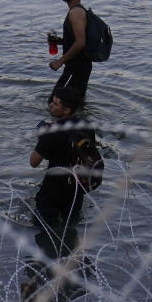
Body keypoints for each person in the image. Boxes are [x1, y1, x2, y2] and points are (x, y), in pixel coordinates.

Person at [30, 86, 94, 228]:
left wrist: (42, 137)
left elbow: (33, 162)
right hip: (76, 188)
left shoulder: (51, 132)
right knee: (70, 226)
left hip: (53, 190)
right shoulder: (87, 126)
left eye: (55, 103)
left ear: (66, 110)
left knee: (43, 228)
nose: (50, 105)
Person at [47, 0, 92, 103]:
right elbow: (78, 39)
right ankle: (80, 122)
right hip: (79, 67)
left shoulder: (76, 13)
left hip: (77, 67)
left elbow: (80, 42)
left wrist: (60, 61)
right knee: (74, 105)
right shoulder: (77, 11)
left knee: (55, 103)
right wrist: (59, 41)